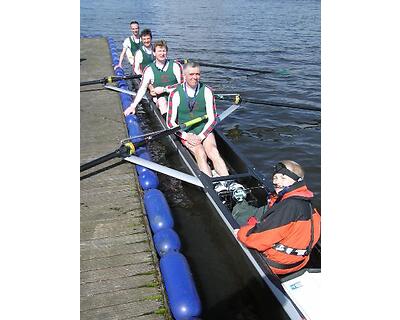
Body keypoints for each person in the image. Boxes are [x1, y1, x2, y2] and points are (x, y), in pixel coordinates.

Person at [233, 160, 321, 275]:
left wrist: (240, 233)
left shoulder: (289, 206)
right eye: (275, 178)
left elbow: (257, 240)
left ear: (297, 180)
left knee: (239, 224)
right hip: (301, 261)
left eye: (283, 178)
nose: (276, 182)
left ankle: (238, 204)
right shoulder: (309, 201)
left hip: (276, 265)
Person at [166, 61, 241, 192]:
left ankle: (229, 183)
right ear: (184, 75)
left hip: (203, 129)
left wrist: (200, 136)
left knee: (213, 151)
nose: (195, 77)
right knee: (200, 153)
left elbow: (212, 119)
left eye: (197, 74)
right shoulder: (175, 94)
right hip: (186, 131)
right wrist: (186, 136)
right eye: (191, 74)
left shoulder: (207, 91)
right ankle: (213, 185)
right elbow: (170, 123)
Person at [124, 40, 183, 116]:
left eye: (164, 51)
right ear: (154, 53)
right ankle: (168, 122)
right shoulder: (149, 69)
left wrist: (164, 89)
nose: (162, 54)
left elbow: (183, 85)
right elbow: (142, 88)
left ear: (167, 52)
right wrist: (133, 106)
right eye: (159, 51)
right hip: (160, 99)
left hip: (177, 96)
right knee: (162, 101)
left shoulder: (176, 65)